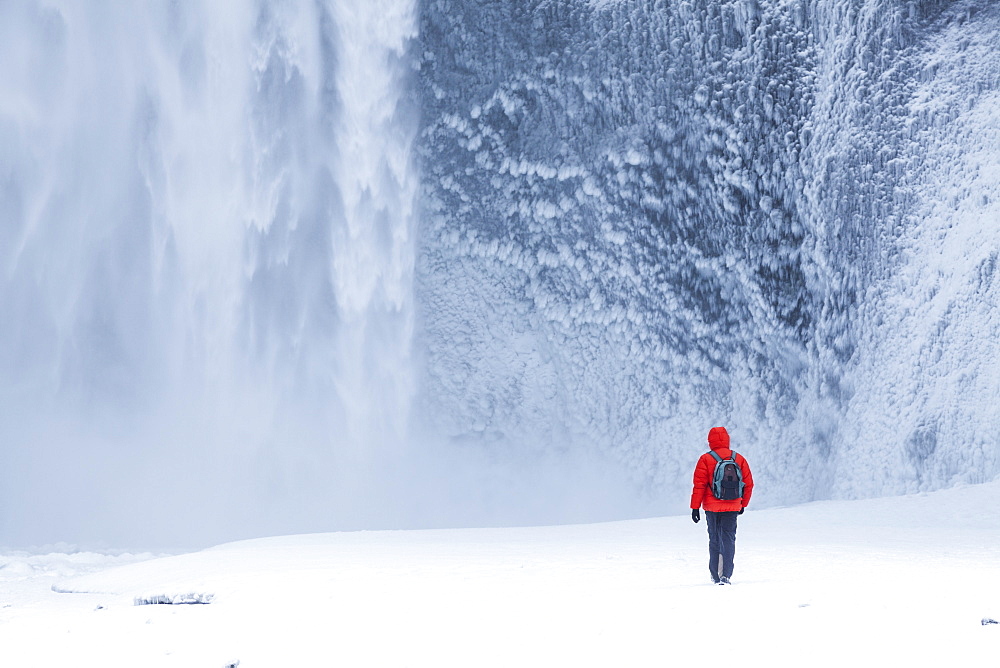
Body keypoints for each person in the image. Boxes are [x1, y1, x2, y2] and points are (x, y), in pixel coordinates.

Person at [690, 426, 754, 584]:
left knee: (714, 539)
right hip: (732, 506)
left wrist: (695, 507)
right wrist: (742, 504)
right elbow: (749, 484)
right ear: (727, 440)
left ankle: (715, 575)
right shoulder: (738, 458)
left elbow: (699, 485)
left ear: (710, 441)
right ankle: (726, 575)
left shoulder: (705, 459)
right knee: (728, 539)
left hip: (712, 508)